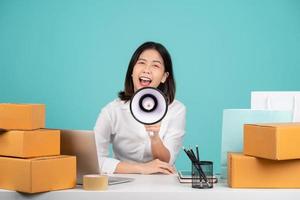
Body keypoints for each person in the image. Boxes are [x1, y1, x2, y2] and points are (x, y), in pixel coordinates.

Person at [94, 41, 186, 175]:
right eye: (141, 62)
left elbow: (167, 162)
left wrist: (154, 136)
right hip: (124, 182)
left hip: (162, 183)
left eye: (155, 65)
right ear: (132, 71)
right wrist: (141, 168)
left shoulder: (176, 110)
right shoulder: (112, 111)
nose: (146, 70)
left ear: (164, 77)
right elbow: (95, 160)